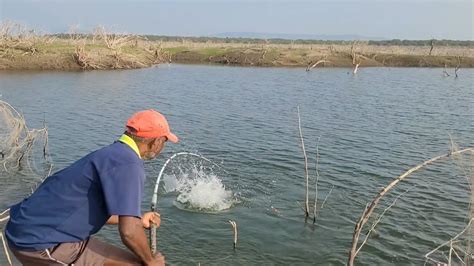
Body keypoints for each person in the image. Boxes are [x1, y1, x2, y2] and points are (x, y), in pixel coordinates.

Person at [4, 109, 179, 265]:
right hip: (38, 241)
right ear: (156, 141)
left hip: (32, 226)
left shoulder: (113, 153)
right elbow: (129, 232)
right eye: (164, 142)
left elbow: (96, 210)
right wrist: (151, 260)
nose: (162, 147)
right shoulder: (130, 165)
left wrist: (138, 219)